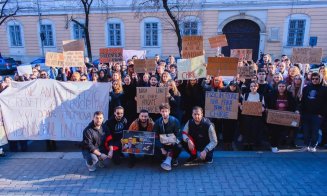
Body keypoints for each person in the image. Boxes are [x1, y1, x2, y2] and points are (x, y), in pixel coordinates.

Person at [266, 81, 298, 152]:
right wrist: (267, 109)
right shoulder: (272, 94)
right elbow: (267, 103)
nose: (281, 88)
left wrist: (296, 110)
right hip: (274, 117)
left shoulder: (289, 95)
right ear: (277, 87)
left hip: (285, 117)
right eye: (280, 86)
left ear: (285, 87)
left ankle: (277, 145)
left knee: (282, 133)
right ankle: (273, 146)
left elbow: (294, 104)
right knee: (274, 132)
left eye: (283, 86)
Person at [300, 73, 325, 152]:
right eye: (313, 78)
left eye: (316, 79)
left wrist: (322, 114)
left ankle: (313, 145)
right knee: (306, 131)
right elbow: (303, 101)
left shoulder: (324, 89)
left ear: (320, 79)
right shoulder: (306, 88)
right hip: (306, 113)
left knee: (315, 131)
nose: (314, 80)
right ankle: (306, 145)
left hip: (317, 115)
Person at [153, 103, 182, 171]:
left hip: (172, 143)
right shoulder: (157, 122)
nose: (164, 113)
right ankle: (165, 157)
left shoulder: (175, 121)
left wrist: (173, 143)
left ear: (169, 111)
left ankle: (174, 158)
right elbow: (155, 136)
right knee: (155, 154)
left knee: (179, 146)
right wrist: (161, 148)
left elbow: (179, 136)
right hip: (162, 144)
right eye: (162, 111)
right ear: (160, 112)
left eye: (166, 111)